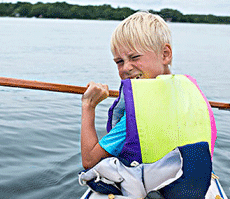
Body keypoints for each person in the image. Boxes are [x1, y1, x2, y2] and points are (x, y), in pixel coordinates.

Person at [79, 11, 217, 199]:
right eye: (119, 61)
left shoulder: (137, 114)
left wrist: (88, 106)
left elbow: (89, 160)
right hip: (192, 186)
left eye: (134, 57)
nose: (126, 67)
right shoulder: (192, 95)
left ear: (165, 54)